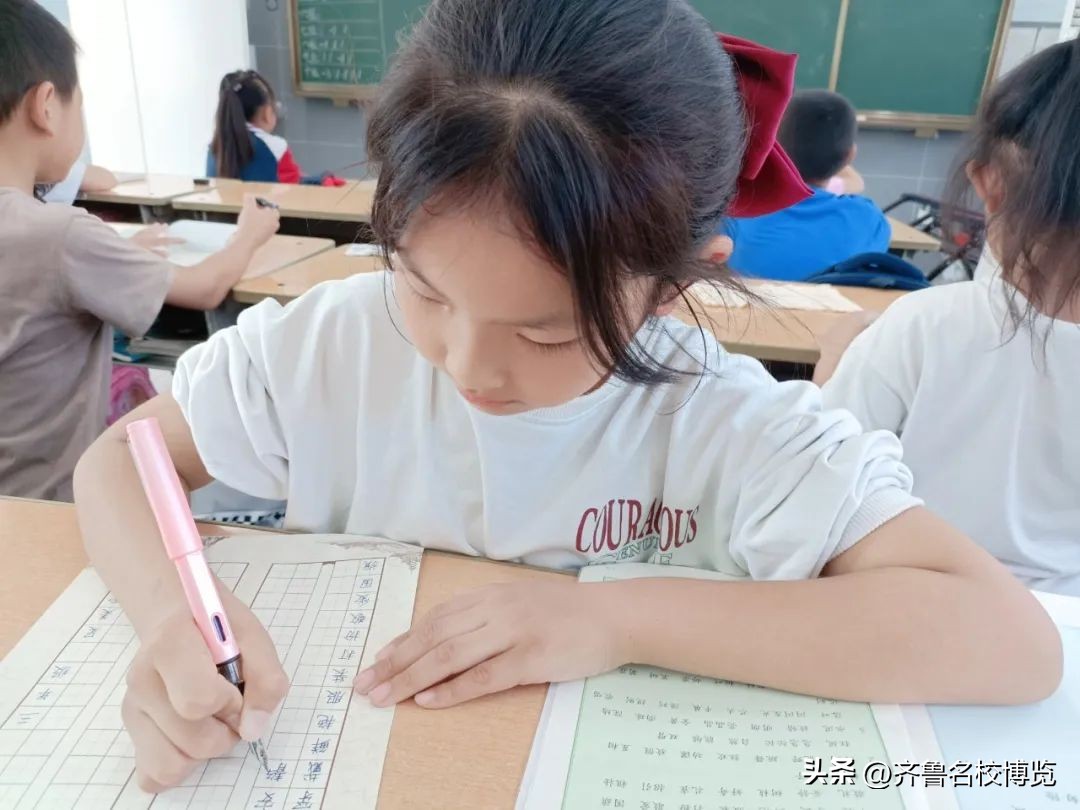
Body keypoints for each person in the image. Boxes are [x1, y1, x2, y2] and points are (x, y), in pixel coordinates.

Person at [75, 0, 1060, 793]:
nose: (468, 365)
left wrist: (612, 618)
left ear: (675, 287)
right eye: (422, 288)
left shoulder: (726, 421)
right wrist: (172, 614)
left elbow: (1012, 644)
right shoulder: (332, 342)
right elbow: (122, 461)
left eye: (546, 330)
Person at [817, 37, 1080, 596]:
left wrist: (826, 377)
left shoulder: (922, 327)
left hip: (913, 606)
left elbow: (821, 487)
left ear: (988, 184)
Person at [0, 0, 281, 501]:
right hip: (54, 507)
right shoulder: (61, 236)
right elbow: (204, 288)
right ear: (46, 105)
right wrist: (250, 234)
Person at [726, 90, 890, 281]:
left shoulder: (740, 210)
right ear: (850, 156)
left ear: (774, 147)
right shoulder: (870, 220)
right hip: (832, 310)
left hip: (746, 309)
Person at [207, 69, 343, 186]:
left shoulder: (215, 147)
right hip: (268, 215)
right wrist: (322, 178)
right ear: (267, 112)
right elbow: (297, 189)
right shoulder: (275, 146)